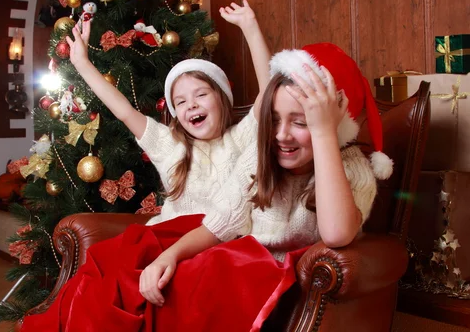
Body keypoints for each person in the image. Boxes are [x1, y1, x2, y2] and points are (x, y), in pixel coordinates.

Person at [18, 1, 271, 331]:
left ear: (221, 98)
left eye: (201, 95)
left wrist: (250, 26)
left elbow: (268, 93)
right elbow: (123, 110)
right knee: (104, 269)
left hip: (207, 242)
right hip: (162, 239)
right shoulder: (171, 144)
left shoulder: (242, 139)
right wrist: (81, 63)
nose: (191, 104)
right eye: (181, 101)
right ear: (177, 114)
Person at [138, 43, 393, 331]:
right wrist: (168, 256)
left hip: (278, 288)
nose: (282, 135)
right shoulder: (258, 159)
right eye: (273, 121)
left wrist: (323, 134)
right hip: (234, 269)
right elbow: (218, 226)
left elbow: (336, 233)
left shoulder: (351, 168)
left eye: (300, 122)